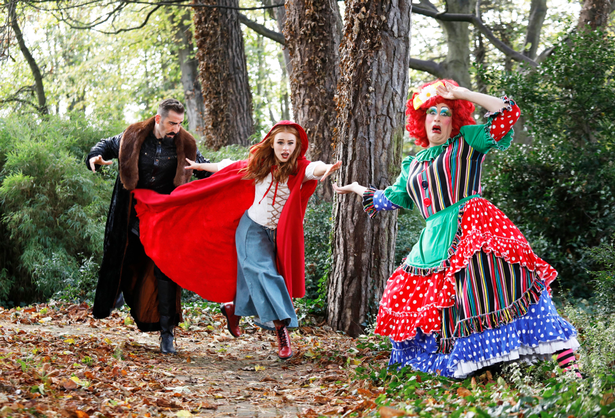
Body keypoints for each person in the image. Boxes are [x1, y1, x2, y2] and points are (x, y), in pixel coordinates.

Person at [333, 80, 580, 379]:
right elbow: (388, 199)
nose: (437, 118)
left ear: (455, 119)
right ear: (421, 120)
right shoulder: (412, 165)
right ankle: (467, 368)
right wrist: (357, 188)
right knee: (438, 304)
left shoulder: (467, 141)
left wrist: (463, 94)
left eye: (445, 112)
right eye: (431, 112)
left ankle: (568, 366)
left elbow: (507, 114)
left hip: (473, 228)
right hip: (433, 241)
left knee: (500, 289)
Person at [132, 121, 341, 359]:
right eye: (280, 142)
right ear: (271, 144)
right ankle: (282, 332)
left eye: (290, 143)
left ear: (297, 146)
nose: (285, 148)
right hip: (251, 229)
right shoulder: (259, 164)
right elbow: (227, 167)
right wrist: (200, 165)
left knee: (255, 275)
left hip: (279, 235)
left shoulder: (299, 168)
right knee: (265, 273)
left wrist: (327, 168)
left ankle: (233, 309)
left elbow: (315, 168)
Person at [87, 98, 212, 354]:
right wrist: (94, 157)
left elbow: (204, 169)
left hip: (163, 220)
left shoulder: (186, 144)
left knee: (164, 272)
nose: (176, 128)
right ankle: (118, 296)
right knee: (126, 262)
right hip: (130, 216)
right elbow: (106, 145)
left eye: (180, 123)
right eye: (171, 123)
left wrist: (227, 175)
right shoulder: (133, 135)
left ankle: (167, 334)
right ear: (158, 119)